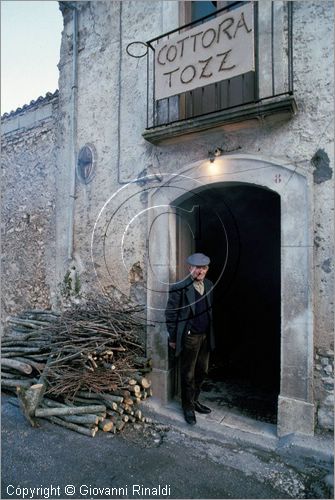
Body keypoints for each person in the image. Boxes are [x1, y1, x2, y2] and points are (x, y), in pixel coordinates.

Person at [165, 253, 215, 425]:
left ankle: (194, 400)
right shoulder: (179, 287)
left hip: (205, 337)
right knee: (188, 374)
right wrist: (173, 337)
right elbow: (170, 314)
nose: (200, 271)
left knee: (202, 371)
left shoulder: (209, 285)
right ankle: (188, 408)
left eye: (203, 268)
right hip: (189, 338)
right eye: (197, 268)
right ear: (190, 268)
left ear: (207, 269)